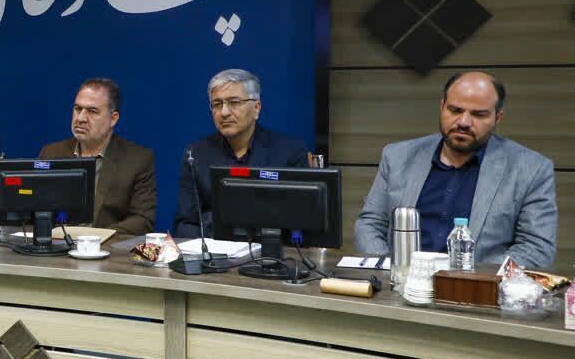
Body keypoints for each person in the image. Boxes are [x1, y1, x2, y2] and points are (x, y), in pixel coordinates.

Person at [354, 71, 556, 269]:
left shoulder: (531, 170)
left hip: (478, 287)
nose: (464, 122)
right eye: (455, 110)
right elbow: (370, 224)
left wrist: (466, 279)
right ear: (442, 107)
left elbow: (536, 248)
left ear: (497, 117)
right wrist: (393, 271)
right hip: (401, 282)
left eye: (478, 114)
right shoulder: (398, 157)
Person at [173, 69, 309, 239]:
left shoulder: (289, 152)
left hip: (269, 252)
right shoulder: (196, 154)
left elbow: (301, 222)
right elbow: (185, 224)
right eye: (217, 104)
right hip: (215, 252)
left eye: (234, 102)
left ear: (256, 108)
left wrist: (213, 221)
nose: (224, 112)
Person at [38, 78, 155, 236]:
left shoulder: (137, 159)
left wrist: (94, 238)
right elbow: (34, 210)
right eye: (78, 109)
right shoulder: (51, 153)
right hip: (57, 245)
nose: (80, 118)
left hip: (105, 246)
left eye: (92, 111)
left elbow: (143, 220)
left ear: (113, 119)